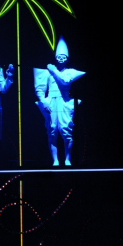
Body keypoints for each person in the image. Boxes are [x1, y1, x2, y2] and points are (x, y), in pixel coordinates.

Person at [34, 37, 85, 166]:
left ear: (67, 59)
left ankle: (68, 159)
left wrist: (54, 70)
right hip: (51, 101)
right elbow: (40, 88)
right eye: (59, 57)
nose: (61, 59)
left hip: (64, 102)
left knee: (65, 129)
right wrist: (44, 101)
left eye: (63, 57)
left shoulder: (69, 72)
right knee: (52, 130)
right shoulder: (47, 73)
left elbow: (64, 82)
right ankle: (55, 160)